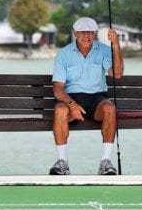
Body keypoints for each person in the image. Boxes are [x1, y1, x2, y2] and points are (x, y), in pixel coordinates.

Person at [49, 17, 124, 175]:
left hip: (96, 98)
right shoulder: (64, 54)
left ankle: (105, 162)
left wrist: (116, 45)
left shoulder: (104, 50)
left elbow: (117, 74)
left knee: (110, 109)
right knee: (60, 111)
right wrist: (72, 105)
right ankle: (62, 163)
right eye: (82, 32)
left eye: (90, 32)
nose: (86, 36)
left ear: (95, 33)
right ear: (75, 33)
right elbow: (58, 89)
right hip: (70, 98)